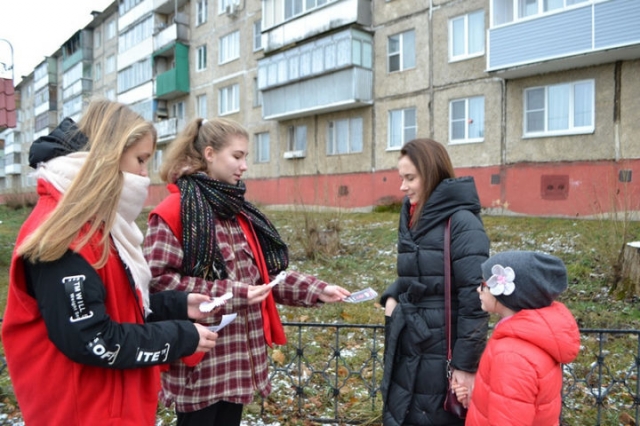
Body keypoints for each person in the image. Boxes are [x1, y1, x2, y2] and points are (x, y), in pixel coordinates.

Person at [1, 99, 220, 426]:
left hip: (110, 407)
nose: (145, 175)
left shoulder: (98, 225)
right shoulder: (64, 233)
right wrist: (179, 337)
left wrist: (176, 305)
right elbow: (92, 339)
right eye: (141, 160)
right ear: (108, 155)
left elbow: (110, 305)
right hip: (83, 413)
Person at [142, 116, 351, 425]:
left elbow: (263, 278)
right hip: (200, 364)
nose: (244, 165)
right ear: (210, 154)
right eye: (237, 156)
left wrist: (316, 289)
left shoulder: (237, 212)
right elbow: (158, 284)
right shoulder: (174, 211)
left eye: (246, 157)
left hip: (239, 360)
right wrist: (235, 293)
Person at [380, 138, 490, 425]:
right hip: (411, 339)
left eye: (410, 178)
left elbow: (475, 299)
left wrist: (465, 365)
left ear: (430, 174)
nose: (402, 187)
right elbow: (419, 272)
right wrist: (393, 294)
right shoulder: (414, 214)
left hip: (442, 348)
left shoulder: (462, 222)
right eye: (401, 177)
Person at [455, 251, 580, 425]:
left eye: (484, 284)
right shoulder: (530, 338)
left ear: (507, 294)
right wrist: (479, 397)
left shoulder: (512, 355)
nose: (478, 289)